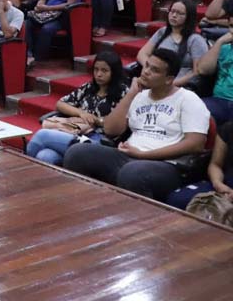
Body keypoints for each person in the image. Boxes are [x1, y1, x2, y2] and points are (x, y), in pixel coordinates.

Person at [63, 49, 211, 202]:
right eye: (146, 66)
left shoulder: (188, 99)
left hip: (166, 165)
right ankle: (84, 205)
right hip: (129, 157)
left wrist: (142, 155)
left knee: (132, 173)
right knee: (77, 153)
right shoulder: (139, 96)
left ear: (169, 79)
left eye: (154, 70)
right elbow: (110, 130)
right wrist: (131, 94)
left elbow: (196, 144)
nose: (146, 72)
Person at [26, 50, 126, 165]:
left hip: (99, 141)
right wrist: (81, 113)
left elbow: (119, 127)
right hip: (76, 132)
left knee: (42, 135)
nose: (98, 74)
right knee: (45, 156)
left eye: (104, 71)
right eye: (96, 69)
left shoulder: (123, 93)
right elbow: (60, 104)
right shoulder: (89, 88)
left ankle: (22, 170)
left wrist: (97, 120)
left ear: (114, 72)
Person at [136, 0, 207, 87]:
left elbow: (197, 72)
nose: (174, 15)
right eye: (172, 11)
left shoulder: (195, 40)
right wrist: (151, 69)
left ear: (189, 17)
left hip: (178, 85)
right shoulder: (162, 32)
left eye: (180, 13)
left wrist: (171, 84)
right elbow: (142, 54)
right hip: (155, 80)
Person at [166, 121, 232, 210]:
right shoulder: (228, 128)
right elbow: (215, 165)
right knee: (177, 199)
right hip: (225, 185)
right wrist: (217, 183)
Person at [194, 23, 233, 125]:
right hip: (218, 100)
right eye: (232, 26)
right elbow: (203, 70)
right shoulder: (223, 48)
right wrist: (219, 42)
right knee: (193, 110)